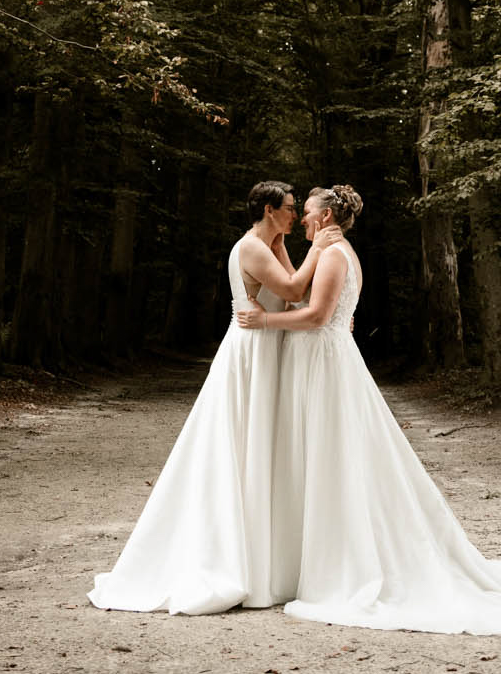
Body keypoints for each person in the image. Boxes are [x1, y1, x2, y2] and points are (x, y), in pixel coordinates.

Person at [238, 184, 501, 637]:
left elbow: (315, 317)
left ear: (326, 217)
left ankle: (344, 564)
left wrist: (265, 320)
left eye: (307, 213)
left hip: (325, 368)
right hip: (325, 361)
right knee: (331, 458)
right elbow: (317, 306)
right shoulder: (335, 252)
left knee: (335, 458)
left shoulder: (332, 255)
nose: (303, 219)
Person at [89, 180, 342, 614]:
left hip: (268, 349)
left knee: (260, 447)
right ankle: (231, 558)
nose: (294, 215)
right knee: (241, 443)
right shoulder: (251, 248)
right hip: (251, 352)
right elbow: (295, 291)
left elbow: (292, 287)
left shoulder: (273, 244)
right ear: (267, 209)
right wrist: (320, 245)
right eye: (287, 208)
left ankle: (268, 559)